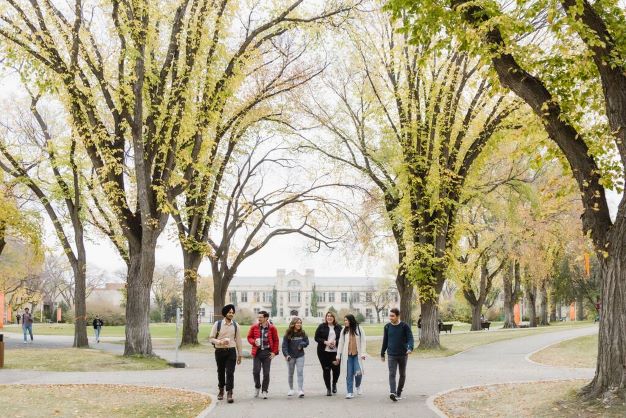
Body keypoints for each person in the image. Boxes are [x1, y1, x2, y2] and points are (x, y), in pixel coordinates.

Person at [209, 304, 242, 404]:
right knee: (221, 371)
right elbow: (211, 338)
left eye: (232, 313)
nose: (231, 314)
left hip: (231, 351)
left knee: (230, 372)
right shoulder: (217, 324)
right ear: (225, 313)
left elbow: (239, 341)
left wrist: (240, 355)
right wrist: (220, 342)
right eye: (229, 312)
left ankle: (229, 392)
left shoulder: (236, 325)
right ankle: (221, 390)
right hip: (219, 351)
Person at [381, 308, 414, 402]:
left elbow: (410, 338)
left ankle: (399, 392)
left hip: (403, 354)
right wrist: (382, 353)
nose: (390, 318)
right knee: (392, 373)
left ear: (398, 316)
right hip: (391, 354)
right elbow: (385, 340)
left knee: (402, 374)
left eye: (392, 316)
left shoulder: (404, 326)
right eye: (390, 315)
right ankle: (393, 392)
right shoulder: (387, 327)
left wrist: (410, 348)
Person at [247, 310, 279, 399]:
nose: (259, 318)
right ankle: (257, 386)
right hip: (257, 353)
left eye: (261, 317)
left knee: (266, 373)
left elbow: (276, 340)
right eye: (258, 317)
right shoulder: (254, 327)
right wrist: (254, 342)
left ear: (266, 318)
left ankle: (264, 390)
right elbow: (249, 337)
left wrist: (274, 352)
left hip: (267, 353)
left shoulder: (272, 328)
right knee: (256, 371)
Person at [334, 314, 367, 399]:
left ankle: (358, 385)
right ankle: (349, 392)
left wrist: (363, 353)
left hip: (357, 355)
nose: (345, 322)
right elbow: (341, 343)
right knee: (349, 374)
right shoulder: (344, 330)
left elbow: (363, 341)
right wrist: (338, 355)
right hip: (347, 356)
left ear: (351, 320)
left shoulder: (359, 329)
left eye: (346, 320)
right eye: (344, 320)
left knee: (358, 373)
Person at [314, 311, 342, 396]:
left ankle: (334, 384)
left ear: (334, 318)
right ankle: (328, 388)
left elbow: (342, 338)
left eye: (331, 316)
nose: (329, 317)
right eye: (328, 316)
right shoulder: (321, 326)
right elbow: (316, 338)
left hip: (335, 353)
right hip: (323, 352)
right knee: (326, 370)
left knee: (336, 370)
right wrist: (325, 342)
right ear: (326, 317)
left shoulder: (338, 327)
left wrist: (335, 342)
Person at [282, 316, 309, 398]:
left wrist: (302, 344)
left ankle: (300, 390)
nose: (299, 324)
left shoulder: (303, 333)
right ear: (293, 324)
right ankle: (291, 389)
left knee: (300, 372)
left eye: (300, 323)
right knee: (291, 373)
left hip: (300, 356)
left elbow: (307, 342)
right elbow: (284, 346)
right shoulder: (288, 334)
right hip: (290, 356)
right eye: (297, 323)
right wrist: (286, 355)